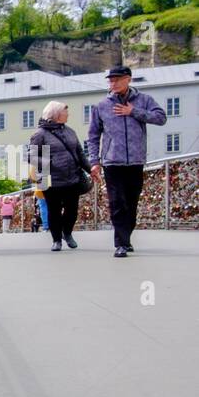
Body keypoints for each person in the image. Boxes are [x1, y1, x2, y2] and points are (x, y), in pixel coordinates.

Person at [87, 65, 167, 257]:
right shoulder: (101, 105)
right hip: (112, 162)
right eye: (110, 80)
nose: (112, 83)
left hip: (136, 161)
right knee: (117, 202)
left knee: (131, 203)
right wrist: (94, 161)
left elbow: (161, 118)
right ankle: (120, 243)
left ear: (128, 79)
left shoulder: (144, 100)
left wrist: (134, 112)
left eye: (116, 79)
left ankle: (126, 238)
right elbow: (93, 135)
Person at [28, 100, 92, 251]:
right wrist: (48, 162)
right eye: (65, 112)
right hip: (50, 180)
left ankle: (67, 233)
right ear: (56, 115)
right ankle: (56, 240)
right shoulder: (40, 134)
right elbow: (31, 155)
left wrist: (91, 169)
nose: (68, 114)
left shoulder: (70, 131)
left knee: (72, 210)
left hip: (72, 178)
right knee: (53, 211)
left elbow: (80, 153)